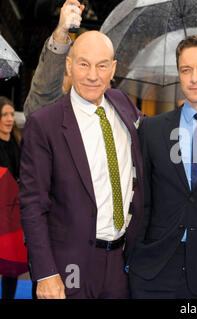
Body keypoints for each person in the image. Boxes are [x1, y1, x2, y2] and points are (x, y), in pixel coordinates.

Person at [19, 31, 145, 299]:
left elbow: (160, 136)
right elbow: (32, 205)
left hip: (121, 263)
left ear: (113, 69)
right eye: (83, 64)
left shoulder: (123, 105)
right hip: (68, 266)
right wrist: (45, 273)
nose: (92, 75)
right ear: (69, 65)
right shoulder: (45, 124)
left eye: (101, 66)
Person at [128, 34, 197, 299]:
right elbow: (142, 199)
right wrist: (135, 255)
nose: (194, 78)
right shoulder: (152, 129)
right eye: (186, 69)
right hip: (153, 269)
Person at [0, 97, 23, 299]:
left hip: (14, 214)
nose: (9, 119)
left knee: (11, 266)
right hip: (0, 213)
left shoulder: (17, 141)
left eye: (11, 114)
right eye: (4, 115)